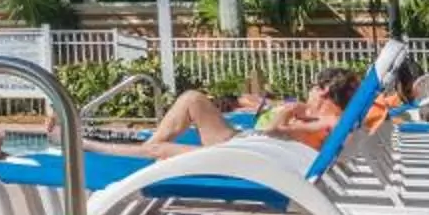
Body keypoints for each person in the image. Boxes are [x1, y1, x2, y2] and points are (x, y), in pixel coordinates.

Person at [141, 70, 358, 157]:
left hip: (245, 150)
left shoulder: (328, 121)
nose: (308, 91)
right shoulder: (332, 120)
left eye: (312, 86)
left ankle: (142, 152)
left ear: (324, 91)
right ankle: (147, 150)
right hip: (252, 147)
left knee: (191, 98)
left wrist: (287, 111)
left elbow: (273, 132)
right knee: (191, 103)